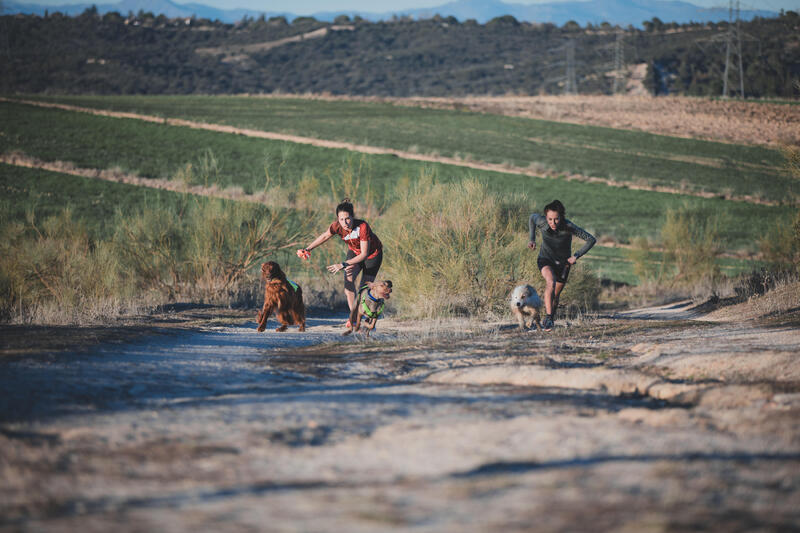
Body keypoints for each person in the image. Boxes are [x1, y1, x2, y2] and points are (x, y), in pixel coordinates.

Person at [298, 199, 384, 327]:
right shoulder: (337, 226)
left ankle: (370, 316)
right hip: (354, 253)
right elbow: (324, 236)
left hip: (372, 255)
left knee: (363, 289)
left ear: (352, 217)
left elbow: (364, 254)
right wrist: (307, 249)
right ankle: (354, 317)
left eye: (348, 219)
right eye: (341, 219)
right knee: (348, 282)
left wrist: (343, 264)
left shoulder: (362, 227)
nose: (345, 222)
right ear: (338, 219)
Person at [528, 199, 595, 331]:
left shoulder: (569, 226)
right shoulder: (541, 222)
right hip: (545, 259)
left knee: (556, 296)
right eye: (550, 219)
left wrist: (576, 255)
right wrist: (532, 239)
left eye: (556, 219)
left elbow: (591, 240)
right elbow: (531, 218)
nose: (553, 223)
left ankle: (550, 319)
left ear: (561, 217)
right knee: (550, 282)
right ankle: (547, 317)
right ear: (546, 217)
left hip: (563, 264)